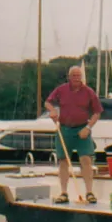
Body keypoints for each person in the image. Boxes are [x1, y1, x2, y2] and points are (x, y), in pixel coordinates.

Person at [44, 65, 103, 204]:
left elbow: (97, 112)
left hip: (82, 129)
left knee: (86, 160)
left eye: (78, 75)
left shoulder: (88, 92)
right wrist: (52, 111)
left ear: (81, 77)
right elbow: (48, 102)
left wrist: (88, 128)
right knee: (63, 161)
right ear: (69, 77)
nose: (76, 78)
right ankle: (64, 193)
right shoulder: (61, 89)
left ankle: (89, 192)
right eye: (74, 75)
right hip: (64, 129)